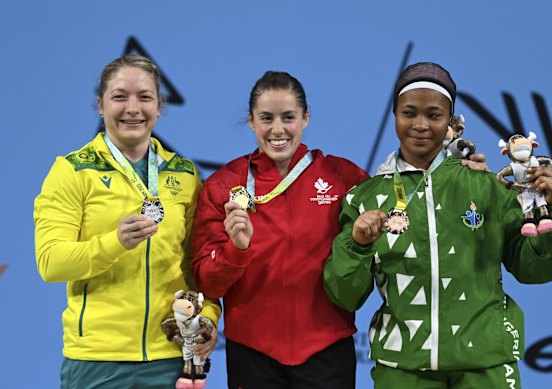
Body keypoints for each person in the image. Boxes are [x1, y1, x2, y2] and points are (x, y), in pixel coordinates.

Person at [323, 62, 552, 388]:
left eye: (434, 115)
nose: (420, 125)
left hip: (484, 364)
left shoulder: (487, 187)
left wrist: (551, 210)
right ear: (395, 115)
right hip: (403, 367)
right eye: (409, 113)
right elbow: (345, 296)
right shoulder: (366, 197)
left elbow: (537, 269)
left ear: (452, 122)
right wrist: (356, 245)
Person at [34, 54, 221, 388]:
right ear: (101, 105)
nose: (132, 108)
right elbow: (51, 262)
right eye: (120, 96)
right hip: (95, 361)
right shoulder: (73, 170)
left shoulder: (184, 174)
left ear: (160, 106)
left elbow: (200, 264)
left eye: (144, 97)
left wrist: (207, 317)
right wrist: (114, 243)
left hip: (170, 359)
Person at [191, 71, 369, 388]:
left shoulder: (342, 176)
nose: (277, 129)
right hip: (252, 353)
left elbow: (403, 204)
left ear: (305, 118)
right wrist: (236, 249)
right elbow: (207, 281)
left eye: (288, 117)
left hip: (327, 351)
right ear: (251, 121)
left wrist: (458, 170)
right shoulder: (223, 185)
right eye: (266, 118)